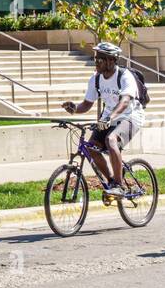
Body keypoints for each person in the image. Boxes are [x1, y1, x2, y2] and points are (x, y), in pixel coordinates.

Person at [61, 41, 145, 197]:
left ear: (111, 60)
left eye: (99, 59)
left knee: (111, 140)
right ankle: (112, 181)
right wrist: (74, 108)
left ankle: (119, 186)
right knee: (91, 148)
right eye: (95, 59)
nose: (96, 62)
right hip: (108, 117)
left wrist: (110, 118)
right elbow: (86, 104)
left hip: (131, 116)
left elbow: (125, 101)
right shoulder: (96, 79)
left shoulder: (124, 76)